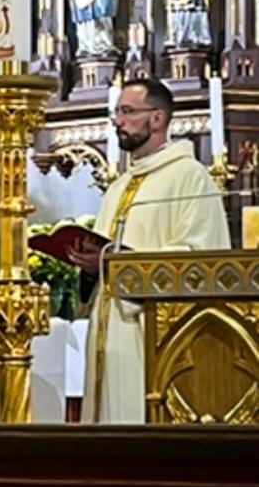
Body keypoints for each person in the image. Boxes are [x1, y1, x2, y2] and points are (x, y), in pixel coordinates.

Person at [71, 78, 230, 423]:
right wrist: (90, 265)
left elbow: (200, 259)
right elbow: (105, 255)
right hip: (109, 328)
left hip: (150, 331)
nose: (118, 121)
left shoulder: (189, 176)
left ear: (157, 119)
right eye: (116, 113)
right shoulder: (119, 186)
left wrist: (121, 262)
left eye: (128, 112)